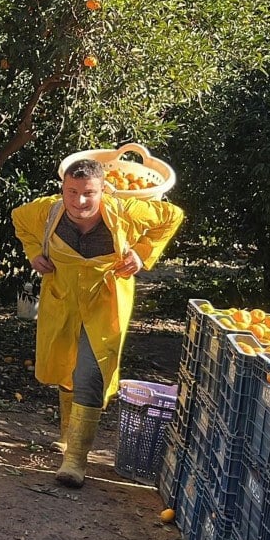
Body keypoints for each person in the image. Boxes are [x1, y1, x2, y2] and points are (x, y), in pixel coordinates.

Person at [12, 158, 184, 488]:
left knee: (91, 371)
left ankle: (76, 458)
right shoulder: (46, 212)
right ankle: (66, 436)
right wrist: (33, 250)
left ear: (104, 189)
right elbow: (19, 220)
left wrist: (143, 253)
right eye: (71, 192)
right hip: (62, 301)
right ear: (62, 188)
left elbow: (172, 216)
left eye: (88, 193)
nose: (79, 202)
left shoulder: (127, 212)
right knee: (65, 366)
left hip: (104, 306)